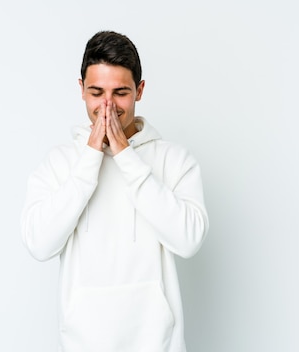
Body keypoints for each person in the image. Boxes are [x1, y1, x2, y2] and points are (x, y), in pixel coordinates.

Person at [20, 30, 209, 352]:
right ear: (81, 90)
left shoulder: (175, 161)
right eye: (97, 92)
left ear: (140, 90)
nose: (107, 106)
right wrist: (91, 157)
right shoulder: (59, 163)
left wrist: (126, 156)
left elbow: (188, 240)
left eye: (120, 92)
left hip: (158, 344)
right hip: (83, 344)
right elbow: (39, 244)